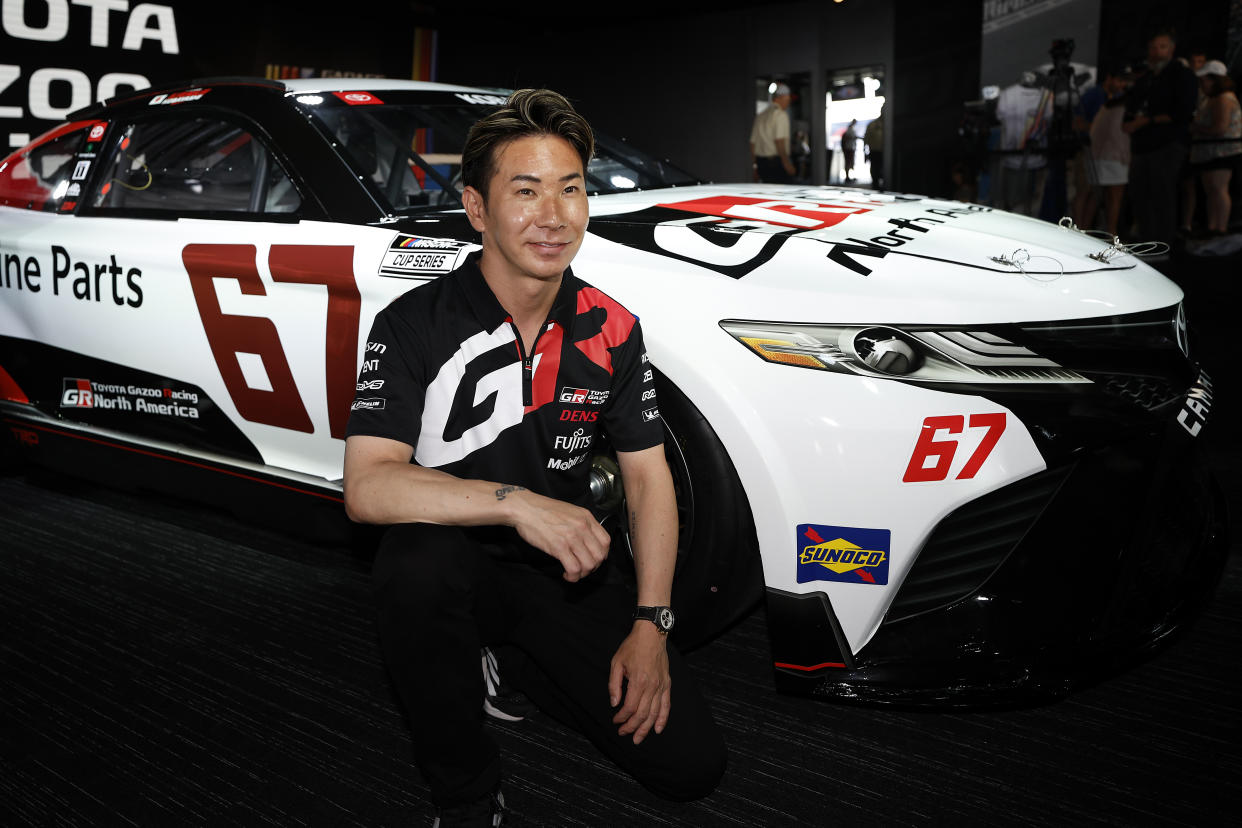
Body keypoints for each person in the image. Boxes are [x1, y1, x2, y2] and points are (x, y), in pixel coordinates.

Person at [342, 88, 726, 827]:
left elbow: (648, 480)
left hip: (568, 577)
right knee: (414, 569)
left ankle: (507, 658)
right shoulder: (414, 322)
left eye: (571, 189)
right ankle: (465, 793)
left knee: (691, 768)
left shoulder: (611, 328)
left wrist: (652, 625)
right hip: (456, 562)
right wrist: (516, 504)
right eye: (526, 191)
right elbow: (366, 487)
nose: (554, 216)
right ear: (478, 210)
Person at [1122, 27, 1198, 247]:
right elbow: (1132, 104)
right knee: (1139, 194)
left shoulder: (1182, 75)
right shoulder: (1146, 78)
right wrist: (1130, 121)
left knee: (1161, 194)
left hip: (1167, 144)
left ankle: (1161, 245)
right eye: (1153, 47)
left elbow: (1183, 112)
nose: (1156, 51)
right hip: (1141, 145)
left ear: (1172, 49)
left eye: (1162, 47)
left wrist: (1147, 120)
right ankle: (1146, 242)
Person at [1188, 60, 1242, 235]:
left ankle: (1220, 227)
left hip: (1222, 152)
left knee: (1218, 189)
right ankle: (1213, 227)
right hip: (1211, 152)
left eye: (1204, 80)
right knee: (1211, 189)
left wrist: (1196, 128)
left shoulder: (1223, 98)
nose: (1202, 84)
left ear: (1213, 79)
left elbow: (1220, 127)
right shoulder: (1212, 99)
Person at [1079, 65, 1133, 238]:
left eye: (1125, 82)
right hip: (1108, 155)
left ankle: (1087, 232)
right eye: (1120, 80)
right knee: (1102, 196)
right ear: (1109, 77)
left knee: (1096, 196)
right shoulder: (1100, 99)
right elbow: (1079, 123)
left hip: (1101, 154)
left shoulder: (1113, 102)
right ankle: (1109, 234)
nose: (1122, 84)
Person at [750, 82, 795, 183]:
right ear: (781, 97)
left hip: (761, 163)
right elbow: (779, 141)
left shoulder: (761, 115)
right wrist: (787, 164)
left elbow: (752, 143)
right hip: (776, 164)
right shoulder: (780, 115)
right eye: (787, 99)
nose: (788, 103)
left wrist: (755, 166)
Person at [864, 110, 884, 188]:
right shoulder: (872, 125)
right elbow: (866, 140)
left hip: (882, 152)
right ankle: (875, 185)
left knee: (879, 169)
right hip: (875, 151)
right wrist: (865, 153)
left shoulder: (887, 124)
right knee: (875, 170)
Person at [841, 118, 859, 182]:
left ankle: (849, 176)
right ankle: (847, 177)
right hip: (849, 148)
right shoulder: (849, 129)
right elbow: (847, 137)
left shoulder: (851, 129)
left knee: (850, 163)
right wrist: (854, 138)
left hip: (851, 148)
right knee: (848, 162)